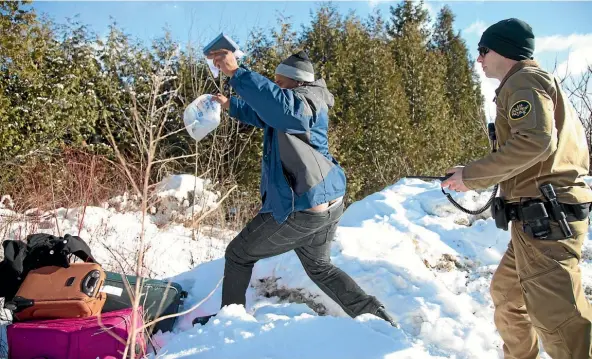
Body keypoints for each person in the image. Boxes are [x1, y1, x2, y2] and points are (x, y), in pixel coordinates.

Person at [192, 50, 395, 327]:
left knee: (238, 254)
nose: (276, 88)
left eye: (280, 83)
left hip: (304, 207)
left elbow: (280, 107)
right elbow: (267, 113)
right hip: (326, 203)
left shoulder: (307, 101)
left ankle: (229, 322)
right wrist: (231, 105)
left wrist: (236, 73)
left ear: (296, 82)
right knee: (320, 268)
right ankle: (376, 317)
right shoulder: (296, 105)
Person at [442, 18, 592, 359]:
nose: (479, 59)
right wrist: (470, 173)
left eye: (483, 50)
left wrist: (472, 176)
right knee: (509, 297)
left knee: (560, 323)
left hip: (546, 220)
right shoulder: (528, 83)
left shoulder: (523, 81)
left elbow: (534, 142)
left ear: (505, 51)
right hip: (538, 219)